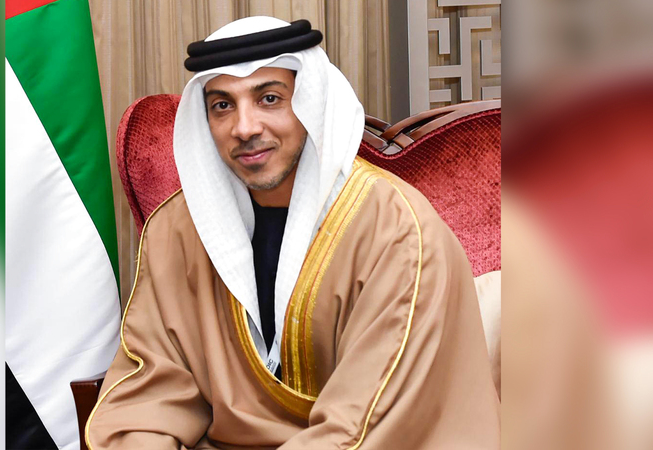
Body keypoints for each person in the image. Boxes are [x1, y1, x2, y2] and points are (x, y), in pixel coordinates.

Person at [86, 16, 499, 449]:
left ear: (310, 103)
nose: (245, 127)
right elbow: (148, 394)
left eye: (269, 99)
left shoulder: (395, 231)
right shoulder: (177, 231)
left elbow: (366, 424)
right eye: (222, 105)